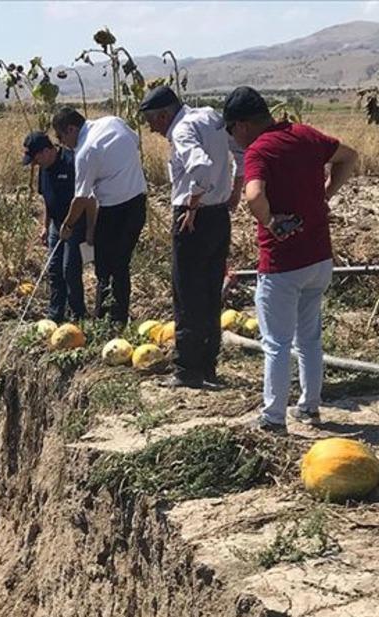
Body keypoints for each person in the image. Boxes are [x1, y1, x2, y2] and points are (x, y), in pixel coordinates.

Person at [223, 86, 359, 433]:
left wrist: (269, 221)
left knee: (277, 343)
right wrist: (324, 196)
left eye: (231, 131)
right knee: (309, 338)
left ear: (241, 125)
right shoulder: (306, 135)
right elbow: (348, 156)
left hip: (282, 264)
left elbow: (254, 194)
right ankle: (310, 407)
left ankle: (273, 417)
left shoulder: (259, 150)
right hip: (319, 258)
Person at [140, 85, 243, 389]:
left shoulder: (182, 130)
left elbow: (200, 166)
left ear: (163, 115)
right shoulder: (208, 116)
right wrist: (235, 191)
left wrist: (193, 203)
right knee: (211, 291)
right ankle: (209, 365)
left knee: (186, 293)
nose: (151, 128)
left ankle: (187, 370)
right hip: (219, 216)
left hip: (192, 218)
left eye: (151, 120)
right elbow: (239, 150)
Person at [51, 106, 147, 325]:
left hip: (115, 211)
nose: (61, 142)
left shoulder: (85, 151)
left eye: (60, 136)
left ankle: (108, 320)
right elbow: (134, 142)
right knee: (120, 264)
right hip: (138, 204)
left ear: (71, 129)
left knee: (105, 267)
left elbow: (82, 198)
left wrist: (68, 225)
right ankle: (116, 319)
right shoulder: (113, 122)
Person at [23, 131, 86, 322]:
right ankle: (55, 314)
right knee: (54, 269)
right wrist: (45, 226)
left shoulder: (72, 162)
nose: (34, 164)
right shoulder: (44, 167)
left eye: (35, 159)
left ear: (47, 151)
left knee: (70, 270)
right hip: (56, 225)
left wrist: (72, 225)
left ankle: (78, 315)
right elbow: (47, 201)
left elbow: (84, 198)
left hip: (75, 224)